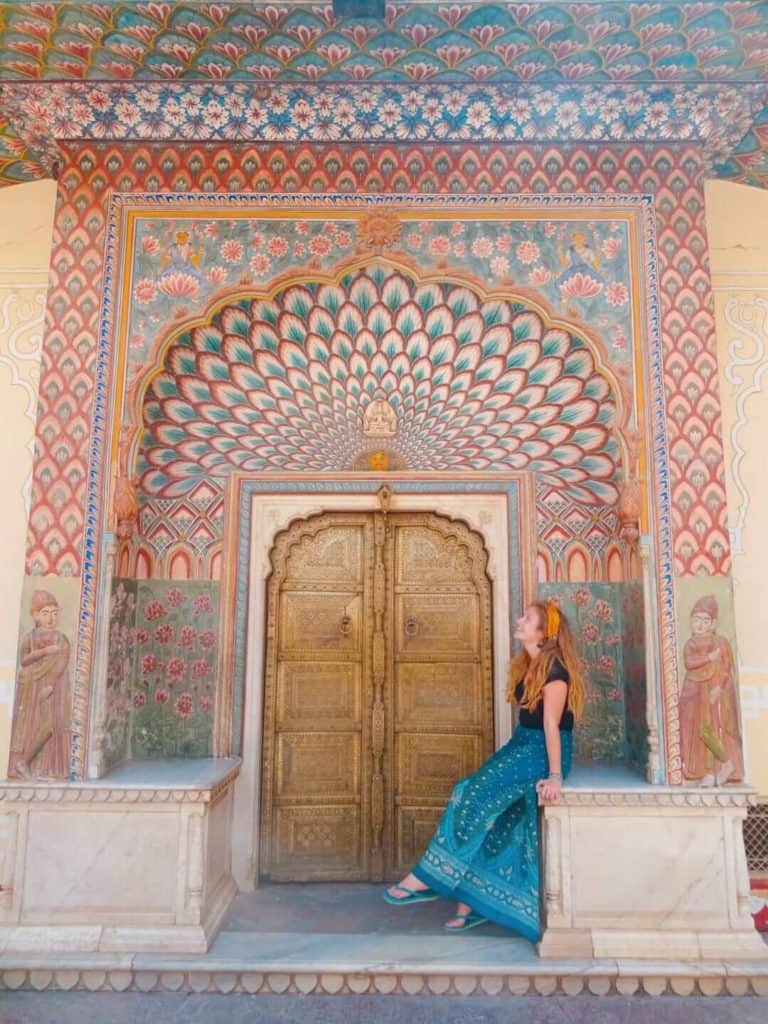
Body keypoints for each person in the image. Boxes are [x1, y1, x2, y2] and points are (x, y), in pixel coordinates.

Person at [383, 600, 585, 940]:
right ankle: (471, 905)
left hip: (542, 753)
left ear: (543, 632)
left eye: (528, 619)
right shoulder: (531, 665)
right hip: (524, 744)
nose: (519, 621)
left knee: (469, 792)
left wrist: (554, 776)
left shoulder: (555, 673)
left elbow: (552, 725)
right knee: (500, 818)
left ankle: (427, 879)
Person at [679, 594, 744, 786]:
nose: (699, 624)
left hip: (714, 692)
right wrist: (709, 657)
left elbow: (726, 668)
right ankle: (710, 769)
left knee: (713, 729)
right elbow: (690, 664)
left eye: (705, 620)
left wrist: (719, 688)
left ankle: (717, 768)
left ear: (713, 623)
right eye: (696, 619)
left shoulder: (721, 642)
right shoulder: (691, 643)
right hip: (695, 692)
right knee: (700, 731)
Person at [8, 590, 71, 780]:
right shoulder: (30, 637)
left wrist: (50, 685)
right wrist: (44, 651)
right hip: (31, 687)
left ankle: (43, 767)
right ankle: (23, 763)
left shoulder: (61, 638)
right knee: (32, 726)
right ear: (35, 615)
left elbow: (62, 662)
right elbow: (24, 660)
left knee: (51, 726)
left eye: (54, 612)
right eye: (45, 613)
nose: (51, 618)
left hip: (52, 690)